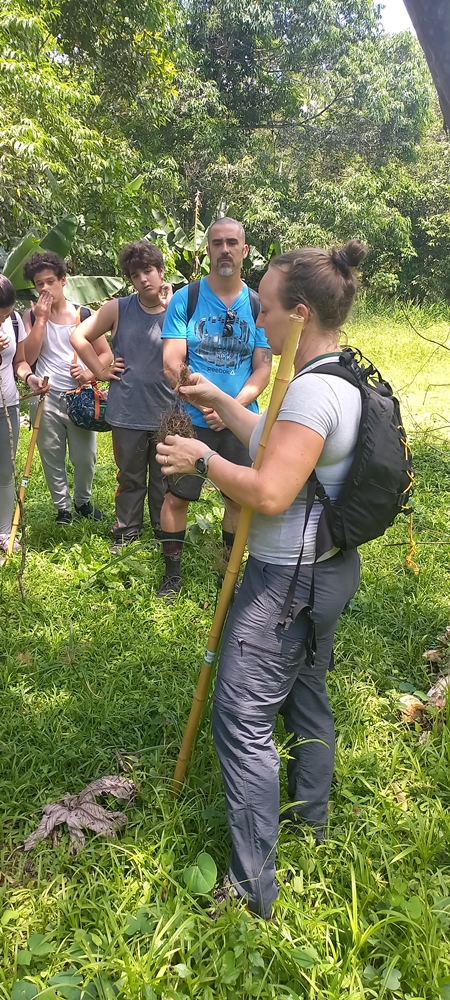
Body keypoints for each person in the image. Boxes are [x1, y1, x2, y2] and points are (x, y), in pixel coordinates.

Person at [156, 239, 367, 918]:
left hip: (284, 584)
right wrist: (219, 399)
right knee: (305, 696)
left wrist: (200, 458)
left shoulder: (309, 390)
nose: (258, 320)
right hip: (327, 575)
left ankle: (252, 892)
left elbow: (271, 492)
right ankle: (312, 820)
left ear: (299, 313)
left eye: (266, 309)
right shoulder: (338, 374)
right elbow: (280, 443)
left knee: (243, 718)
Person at [157, 217, 272, 600]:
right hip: (190, 420)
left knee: (238, 499)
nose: (225, 249)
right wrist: (201, 401)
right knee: (177, 495)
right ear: (206, 250)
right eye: (217, 242)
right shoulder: (185, 298)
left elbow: (263, 367)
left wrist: (229, 408)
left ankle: (230, 572)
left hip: (240, 421)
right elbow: (171, 361)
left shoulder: (258, 304)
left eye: (232, 242)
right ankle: (172, 574)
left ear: (245, 251)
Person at [70, 240, 175, 551]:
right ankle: (127, 532)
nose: (143, 279)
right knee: (129, 477)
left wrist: (171, 310)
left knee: (163, 479)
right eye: (135, 275)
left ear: (161, 271)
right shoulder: (118, 308)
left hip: (169, 411)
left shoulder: (179, 308)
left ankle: (162, 533)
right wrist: (100, 371)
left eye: (148, 271)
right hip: (127, 410)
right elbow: (80, 337)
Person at [22, 251, 112, 523]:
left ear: (63, 280)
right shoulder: (30, 315)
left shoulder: (84, 314)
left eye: (50, 281)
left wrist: (87, 373)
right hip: (44, 397)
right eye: (40, 284)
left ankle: (83, 501)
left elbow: (106, 355)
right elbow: (28, 356)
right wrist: (40, 319)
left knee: (85, 457)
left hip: (80, 397)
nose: (45, 288)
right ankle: (63, 508)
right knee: (51, 455)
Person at [0, 275, 49, 556]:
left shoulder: (15, 320)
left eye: (5, 316)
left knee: (5, 471)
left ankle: (4, 532)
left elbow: (19, 362)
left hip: (6, 406)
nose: (2, 321)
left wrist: (30, 378)